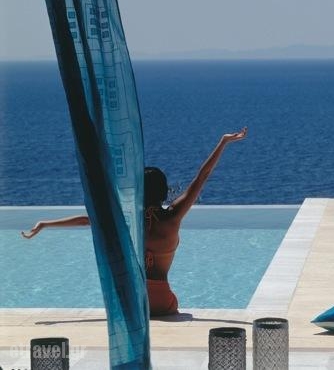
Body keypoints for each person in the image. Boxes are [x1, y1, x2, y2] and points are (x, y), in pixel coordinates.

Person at [22, 127, 248, 317]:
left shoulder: (128, 219)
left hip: (132, 299)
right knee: (178, 312)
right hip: (163, 300)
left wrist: (46, 224)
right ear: (163, 190)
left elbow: (87, 220)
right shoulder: (173, 216)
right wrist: (223, 142)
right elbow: (202, 176)